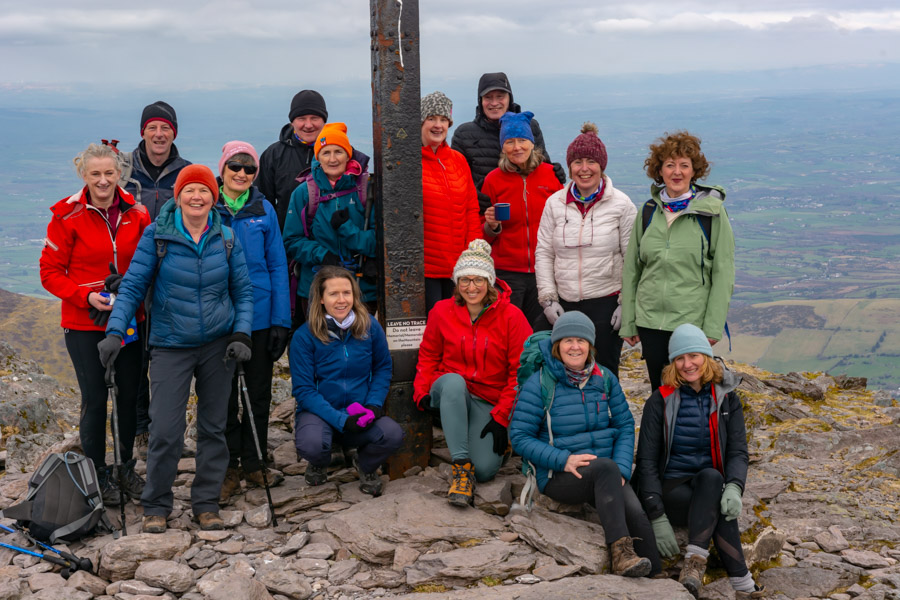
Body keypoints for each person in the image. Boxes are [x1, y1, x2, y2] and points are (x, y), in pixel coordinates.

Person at [99, 165, 253, 533]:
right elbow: (133, 287)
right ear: (178, 196)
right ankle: (156, 505)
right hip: (170, 345)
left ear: (212, 197)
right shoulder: (157, 237)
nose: (196, 197)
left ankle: (206, 503)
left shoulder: (227, 237)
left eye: (203, 191)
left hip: (218, 345)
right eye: (189, 191)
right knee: (166, 429)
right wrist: (115, 331)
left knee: (213, 428)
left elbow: (244, 292)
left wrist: (242, 335)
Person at [39, 142, 151, 506]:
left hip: (131, 319)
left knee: (130, 396)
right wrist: (85, 296)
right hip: (84, 322)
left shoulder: (138, 213)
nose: (103, 181)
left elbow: (148, 263)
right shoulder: (66, 217)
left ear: (120, 174)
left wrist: (131, 287)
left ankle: (125, 470)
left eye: (109, 173)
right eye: (95, 174)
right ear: (83, 176)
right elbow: (49, 272)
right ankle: (97, 476)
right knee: (95, 399)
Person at [509, 311, 659, 578]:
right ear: (557, 345)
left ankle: (657, 577)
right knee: (605, 470)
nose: (575, 346)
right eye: (568, 340)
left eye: (581, 340)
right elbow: (520, 437)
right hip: (560, 475)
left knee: (636, 513)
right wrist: (562, 459)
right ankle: (620, 554)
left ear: (590, 345)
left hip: (607, 472)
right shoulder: (541, 383)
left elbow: (624, 425)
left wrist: (623, 469)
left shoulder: (606, 379)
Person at [634, 324, 763, 599]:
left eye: (693, 356)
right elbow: (645, 461)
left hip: (709, 486)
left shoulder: (727, 399)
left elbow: (738, 451)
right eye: (679, 358)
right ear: (672, 363)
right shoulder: (660, 400)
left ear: (706, 357)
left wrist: (735, 487)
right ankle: (742, 583)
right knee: (714, 489)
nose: (687, 364)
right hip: (672, 490)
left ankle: (694, 562)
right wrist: (656, 515)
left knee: (714, 479)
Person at [413, 240, 532, 506]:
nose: (471, 287)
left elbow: (520, 372)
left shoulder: (511, 317)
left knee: (487, 470)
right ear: (456, 283)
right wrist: (421, 390)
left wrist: (502, 416)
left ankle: (481, 453)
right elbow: (429, 355)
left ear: (490, 282)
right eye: (464, 280)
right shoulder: (442, 311)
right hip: (451, 388)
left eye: (478, 280)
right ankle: (461, 469)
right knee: (454, 382)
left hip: (488, 398)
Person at [620, 131, 735, 391]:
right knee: (660, 396)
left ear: (695, 171)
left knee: (692, 397)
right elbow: (632, 270)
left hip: (691, 322)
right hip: (650, 323)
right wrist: (629, 321)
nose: (677, 172)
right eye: (670, 165)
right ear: (659, 171)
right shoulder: (648, 211)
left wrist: (713, 326)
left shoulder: (711, 213)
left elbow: (723, 273)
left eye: (684, 165)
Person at [213, 142, 291, 503]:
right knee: (223, 395)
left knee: (258, 393)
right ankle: (227, 467)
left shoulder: (265, 210)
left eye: (249, 168)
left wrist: (280, 321)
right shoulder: (207, 207)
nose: (242, 174)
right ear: (223, 168)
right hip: (218, 317)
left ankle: (255, 462)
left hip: (260, 315)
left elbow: (277, 265)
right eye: (235, 166)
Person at [534, 123, 637, 377]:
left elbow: (633, 260)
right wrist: (548, 300)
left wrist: (627, 304)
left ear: (602, 165)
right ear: (569, 167)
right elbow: (544, 253)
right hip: (564, 303)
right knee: (559, 372)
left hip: (606, 302)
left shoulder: (621, 205)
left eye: (591, 161)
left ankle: (607, 416)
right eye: (577, 162)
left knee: (605, 373)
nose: (584, 169)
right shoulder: (554, 204)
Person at [290, 266, 403, 496]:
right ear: (321, 299)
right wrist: (341, 420)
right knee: (311, 444)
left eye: (347, 293)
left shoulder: (370, 327)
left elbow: (382, 367)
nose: (342, 300)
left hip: (358, 410)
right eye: (333, 294)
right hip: (321, 413)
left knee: (392, 435)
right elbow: (304, 390)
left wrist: (373, 404)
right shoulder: (304, 336)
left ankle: (365, 464)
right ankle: (321, 460)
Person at [120, 100, 192, 461]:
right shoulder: (122, 170)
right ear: (143, 132)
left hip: (173, 280)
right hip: (131, 278)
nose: (159, 134)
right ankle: (139, 431)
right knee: (133, 357)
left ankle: (167, 429)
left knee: (166, 356)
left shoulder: (187, 173)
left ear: (174, 133)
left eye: (165, 128)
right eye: (153, 128)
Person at [283, 122, 377, 314]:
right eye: (326, 153)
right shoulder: (304, 192)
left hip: (360, 289)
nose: (332, 159)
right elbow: (291, 241)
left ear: (348, 154)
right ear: (318, 157)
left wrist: (347, 230)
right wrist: (323, 255)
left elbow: (379, 242)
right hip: (318, 289)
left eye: (338, 151)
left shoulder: (366, 189)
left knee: (360, 343)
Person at [482, 111, 562, 330]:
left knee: (540, 332)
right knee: (507, 331)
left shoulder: (551, 176)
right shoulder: (493, 180)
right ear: (502, 147)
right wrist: (491, 227)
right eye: (509, 141)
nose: (517, 147)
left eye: (522, 140)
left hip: (545, 271)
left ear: (532, 143)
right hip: (507, 273)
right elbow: (482, 235)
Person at [451, 72, 565, 212]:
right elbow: (456, 180)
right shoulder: (464, 134)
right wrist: (475, 195)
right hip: (484, 214)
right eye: (488, 97)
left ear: (509, 99)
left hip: (524, 211)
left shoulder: (530, 125)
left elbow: (541, 163)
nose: (494, 103)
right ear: (480, 101)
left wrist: (554, 171)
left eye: (500, 96)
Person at [258, 89, 370, 230]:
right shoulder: (273, 155)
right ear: (292, 122)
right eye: (301, 119)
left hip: (338, 242)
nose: (309, 125)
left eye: (315, 118)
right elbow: (263, 203)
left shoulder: (344, 154)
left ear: (324, 121)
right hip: (288, 244)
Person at [420, 91, 482, 313]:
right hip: (425, 269)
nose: (438, 125)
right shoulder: (410, 161)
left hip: (458, 267)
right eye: (432, 118)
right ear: (421, 122)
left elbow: (471, 210)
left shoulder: (457, 160)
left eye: (443, 120)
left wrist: (474, 255)